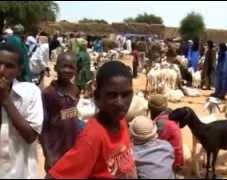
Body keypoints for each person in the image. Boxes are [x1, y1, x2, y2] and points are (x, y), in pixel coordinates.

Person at [48, 61, 137, 179]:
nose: (120, 103)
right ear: (97, 97)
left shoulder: (121, 121)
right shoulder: (92, 138)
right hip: (66, 133)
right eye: (112, 95)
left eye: (126, 95)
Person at [0, 43, 43, 178]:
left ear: (19, 70)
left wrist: (5, 99)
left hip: (20, 172)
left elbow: (30, 136)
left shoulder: (30, 92)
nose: (1, 70)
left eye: (9, 66)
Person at [40, 52, 82, 173]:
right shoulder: (49, 93)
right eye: (64, 66)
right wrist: (47, 155)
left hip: (73, 144)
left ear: (76, 70)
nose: (67, 70)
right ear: (56, 68)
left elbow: (71, 114)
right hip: (55, 147)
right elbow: (43, 126)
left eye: (71, 67)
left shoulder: (75, 90)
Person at [148, 95, 184, 172]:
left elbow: (155, 145)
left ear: (152, 110)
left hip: (172, 162)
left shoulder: (161, 123)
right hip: (178, 158)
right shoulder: (171, 115)